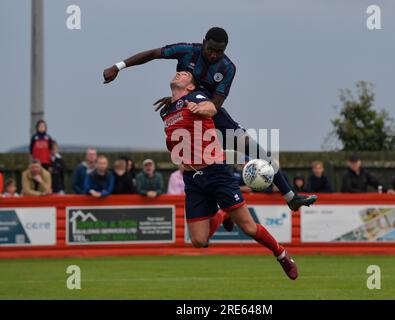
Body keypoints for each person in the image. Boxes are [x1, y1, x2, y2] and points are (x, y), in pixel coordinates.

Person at [103, 27, 316, 212]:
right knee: (200, 167)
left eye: (219, 51)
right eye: (210, 49)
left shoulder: (227, 68)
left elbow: (216, 104)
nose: (213, 54)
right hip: (187, 118)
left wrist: (198, 104)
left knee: (258, 151)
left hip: (210, 114)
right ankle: (221, 211)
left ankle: (290, 198)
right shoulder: (187, 51)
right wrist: (118, 66)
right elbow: (153, 54)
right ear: (204, 43)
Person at [158, 71, 298, 280]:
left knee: (249, 228)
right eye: (178, 72)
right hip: (193, 179)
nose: (180, 73)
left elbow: (211, 108)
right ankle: (223, 214)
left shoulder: (195, 98)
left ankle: (281, 254)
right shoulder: (166, 111)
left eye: (185, 74)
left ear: (190, 87)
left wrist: (200, 108)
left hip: (216, 171)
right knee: (198, 241)